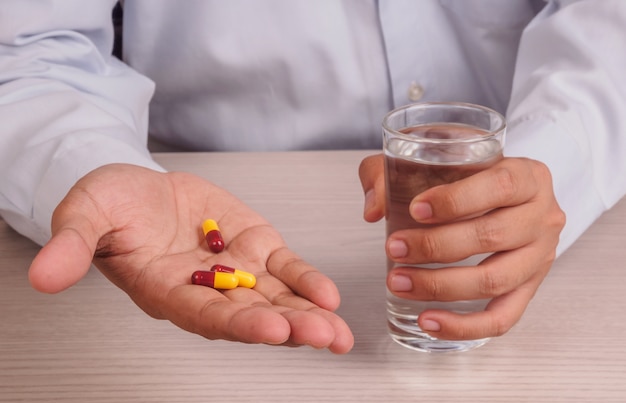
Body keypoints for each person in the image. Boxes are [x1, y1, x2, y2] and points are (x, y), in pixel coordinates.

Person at [1, 1, 624, 352]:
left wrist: (554, 160)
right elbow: (25, 46)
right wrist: (87, 162)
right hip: (196, 179)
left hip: (551, 214)